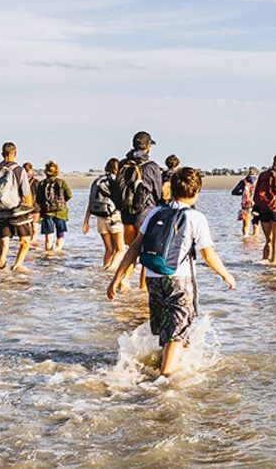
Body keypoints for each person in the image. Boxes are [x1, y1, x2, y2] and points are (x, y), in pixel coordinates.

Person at [107, 167, 236, 378]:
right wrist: (226, 275)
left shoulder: (156, 213)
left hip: (153, 278)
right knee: (176, 334)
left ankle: (160, 366)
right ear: (197, 192)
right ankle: (166, 376)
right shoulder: (196, 217)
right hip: (179, 280)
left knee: (166, 331)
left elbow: (134, 248)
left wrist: (116, 279)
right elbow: (209, 255)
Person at [111, 132, 167, 246]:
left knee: (131, 249)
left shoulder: (122, 163)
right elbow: (157, 192)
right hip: (145, 212)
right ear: (147, 146)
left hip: (125, 213)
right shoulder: (152, 166)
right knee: (145, 249)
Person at [0, 143, 36, 272]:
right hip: (17, 211)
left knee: (4, 243)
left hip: (1, 210)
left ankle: (1, 270)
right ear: (15, 153)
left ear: (2, 154)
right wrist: (29, 209)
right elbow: (26, 193)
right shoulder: (18, 169)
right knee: (25, 241)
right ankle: (17, 266)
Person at [84, 158, 127, 271]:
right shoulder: (115, 180)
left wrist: (86, 221)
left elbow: (90, 201)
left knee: (109, 249)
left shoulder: (97, 180)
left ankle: (104, 271)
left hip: (100, 218)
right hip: (114, 217)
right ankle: (110, 270)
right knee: (121, 249)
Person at [36, 161, 73, 255]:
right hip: (61, 212)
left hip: (47, 213)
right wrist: (62, 202)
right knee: (60, 233)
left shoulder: (42, 184)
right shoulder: (62, 182)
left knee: (48, 236)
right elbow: (69, 195)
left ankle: (48, 254)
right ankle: (58, 251)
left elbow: (38, 199)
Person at [233, 167, 258, 238]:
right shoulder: (258, 182)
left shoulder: (243, 182)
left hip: (245, 205)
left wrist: (242, 193)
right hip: (256, 205)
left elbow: (234, 192)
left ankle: (245, 239)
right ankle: (255, 239)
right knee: (255, 224)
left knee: (245, 225)